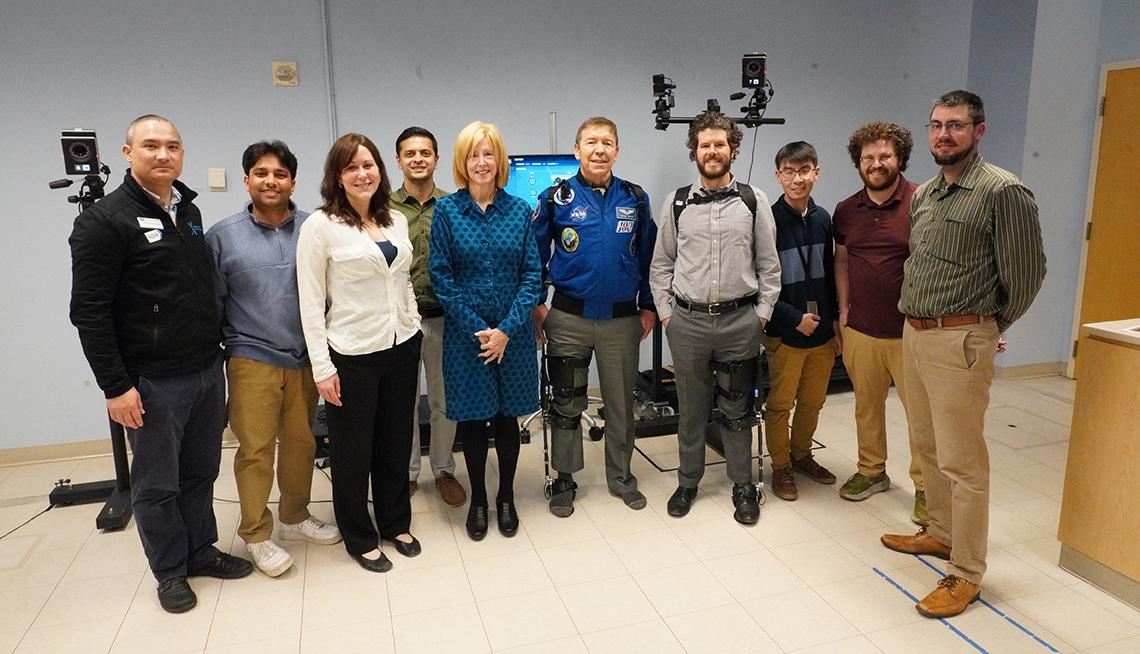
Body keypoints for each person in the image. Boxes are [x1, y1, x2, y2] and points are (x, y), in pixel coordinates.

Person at [69, 115, 252, 614]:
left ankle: (200, 550)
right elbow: (88, 312)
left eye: (173, 146)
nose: (164, 155)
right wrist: (116, 386)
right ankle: (170, 571)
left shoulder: (188, 211)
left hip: (204, 370)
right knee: (156, 482)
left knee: (200, 471)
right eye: (151, 146)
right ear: (128, 153)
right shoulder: (104, 221)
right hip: (150, 381)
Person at [881, 91, 1045, 618]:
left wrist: (987, 326)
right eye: (935, 125)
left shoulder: (1004, 192)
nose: (942, 134)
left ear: (979, 130)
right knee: (928, 449)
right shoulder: (927, 193)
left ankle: (967, 572)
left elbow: (1026, 276)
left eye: (955, 125)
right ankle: (942, 535)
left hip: (960, 340)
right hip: (916, 333)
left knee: (963, 462)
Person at [206, 140, 341, 578]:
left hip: (305, 355)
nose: (271, 181)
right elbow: (213, 303)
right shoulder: (222, 236)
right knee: (256, 449)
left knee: (302, 443)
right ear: (246, 180)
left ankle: (295, 516)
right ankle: (257, 534)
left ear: (293, 182)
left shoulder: (315, 227)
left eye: (280, 174)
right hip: (251, 356)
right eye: (261, 173)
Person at [296, 133, 422, 573]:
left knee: (395, 441)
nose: (363, 173)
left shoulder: (395, 221)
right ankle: (359, 534)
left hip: (401, 345)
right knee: (353, 451)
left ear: (380, 170)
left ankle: (394, 522)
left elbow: (402, 278)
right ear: (337, 176)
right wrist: (321, 367)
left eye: (368, 164)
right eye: (351, 167)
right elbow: (310, 302)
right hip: (350, 353)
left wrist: (412, 321)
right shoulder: (320, 226)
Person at [648, 111, 781, 525]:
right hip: (687, 323)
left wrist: (760, 316)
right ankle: (688, 480)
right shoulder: (678, 202)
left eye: (719, 144)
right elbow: (661, 265)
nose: (712, 151)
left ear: (733, 149)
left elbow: (770, 268)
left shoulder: (753, 201)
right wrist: (669, 316)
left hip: (740, 321)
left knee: (738, 408)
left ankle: (743, 485)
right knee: (691, 408)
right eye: (704, 145)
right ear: (695, 151)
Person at [532, 116, 657, 517]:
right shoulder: (556, 199)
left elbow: (651, 258)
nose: (599, 149)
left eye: (607, 143)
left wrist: (650, 305)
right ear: (577, 150)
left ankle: (621, 478)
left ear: (617, 151)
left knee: (620, 403)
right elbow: (533, 255)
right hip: (568, 317)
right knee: (567, 401)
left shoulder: (635, 198)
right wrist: (538, 303)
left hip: (622, 321)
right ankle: (564, 479)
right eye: (591, 142)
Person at [429, 121, 541, 540]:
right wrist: (481, 331)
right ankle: (478, 498)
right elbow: (441, 277)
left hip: (513, 336)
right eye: (474, 154)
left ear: (499, 161)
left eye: (488, 153)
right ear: (463, 162)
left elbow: (532, 275)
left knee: (508, 418)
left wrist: (507, 330)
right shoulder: (447, 212)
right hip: (466, 338)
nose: (482, 162)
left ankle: (506, 497)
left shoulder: (518, 211)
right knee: (474, 422)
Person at [833, 122, 927, 523]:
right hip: (861, 329)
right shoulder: (846, 210)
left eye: (884, 156)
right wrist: (843, 311)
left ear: (900, 158)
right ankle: (871, 471)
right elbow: (842, 261)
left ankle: (927, 486)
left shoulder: (924, 202)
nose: (876, 164)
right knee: (866, 406)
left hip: (913, 332)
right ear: (859, 163)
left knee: (921, 413)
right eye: (868, 158)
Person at [390, 126, 466, 507]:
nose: (417, 159)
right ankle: (406, 474)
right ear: (399, 160)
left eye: (425, 152)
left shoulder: (453, 206)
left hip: (443, 319)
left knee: (443, 400)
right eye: (410, 153)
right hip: (399, 323)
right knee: (402, 402)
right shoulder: (383, 209)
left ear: (437, 159)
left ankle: (443, 469)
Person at [763, 142, 839, 502]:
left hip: (822, 334)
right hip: (785, 332)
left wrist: (834, 324)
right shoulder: (767, 222)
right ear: (778, 176)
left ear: (816, 173)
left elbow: (832, 277)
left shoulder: (824, 219)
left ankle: (802, 455)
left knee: (813, 402)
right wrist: (793, 318)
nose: (798, 179)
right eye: (789, 172)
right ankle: (780, 467)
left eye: (805, 170)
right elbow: (758, 283)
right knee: (780, 405)